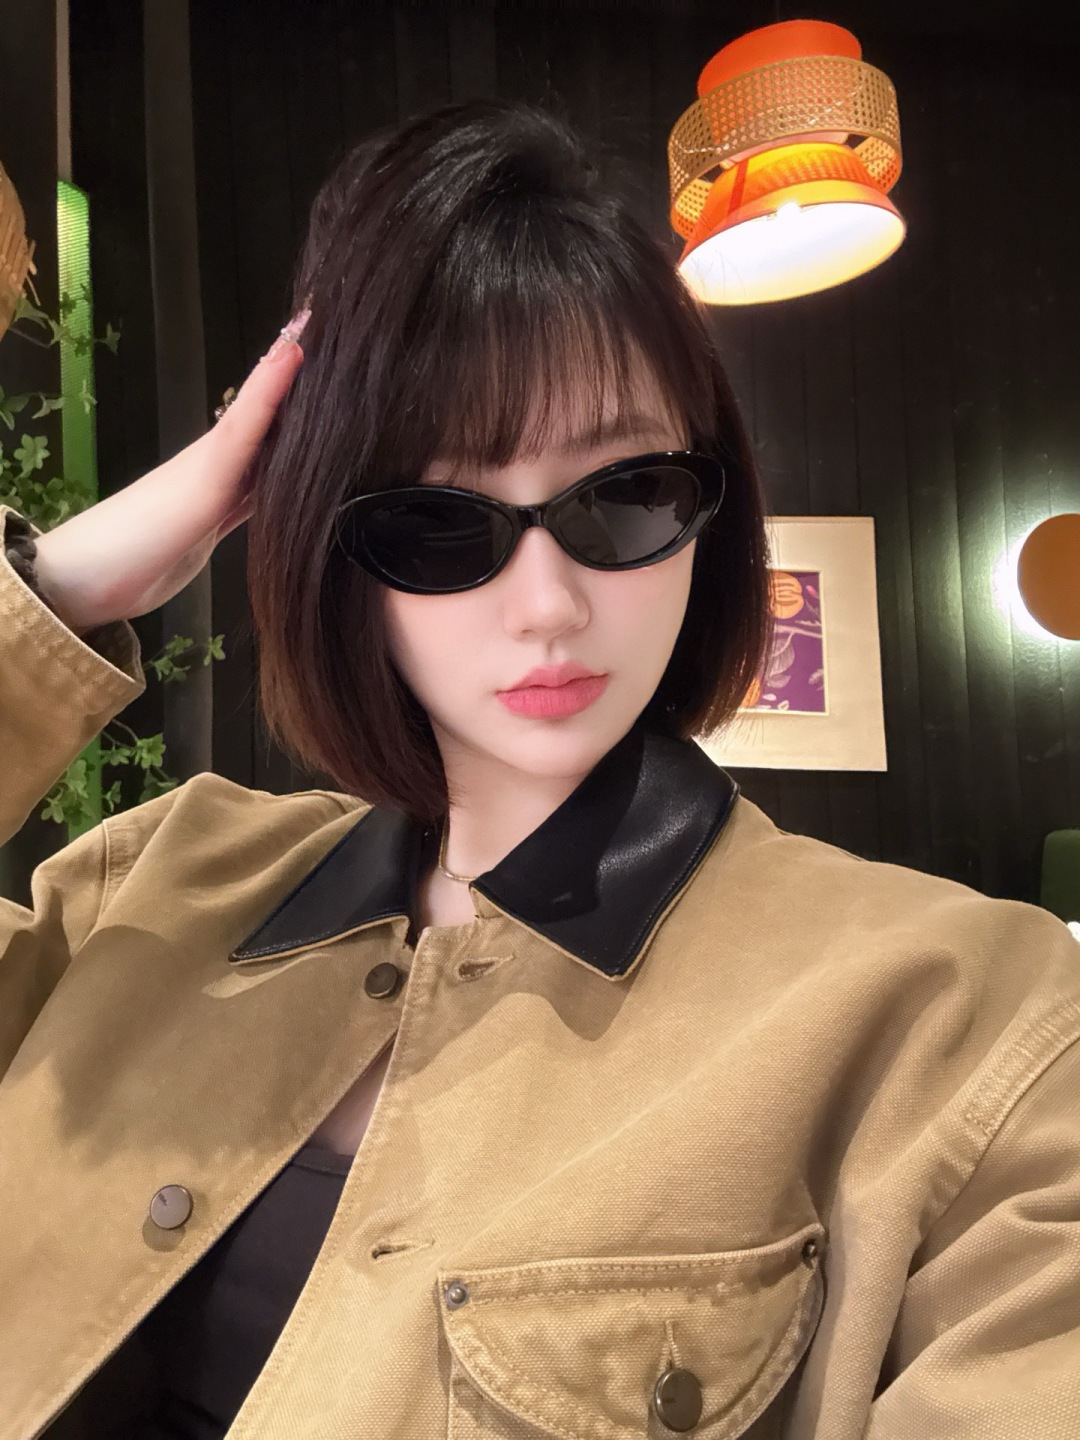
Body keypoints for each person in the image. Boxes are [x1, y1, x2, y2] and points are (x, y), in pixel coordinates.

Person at [0, 97, 1077, 1440]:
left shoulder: (966, 1019)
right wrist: (62, 583)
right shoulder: (140, 892)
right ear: (342, 550)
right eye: (438, 523)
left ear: (708, 507)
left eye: (622, 495)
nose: (548, 607)